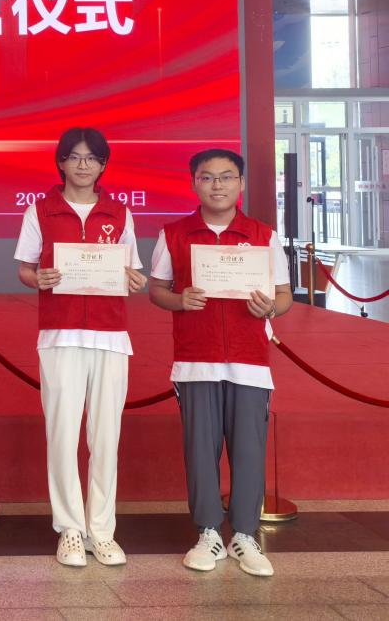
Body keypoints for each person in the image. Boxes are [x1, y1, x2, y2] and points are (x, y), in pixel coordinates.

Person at [148, 148, 293, 578]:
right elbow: (157, 290)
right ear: (194, 183)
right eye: (207, 177)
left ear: (240, 184)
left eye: (226, 177)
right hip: (196, 359)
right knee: (200, 450)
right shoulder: (174, 234)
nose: (217, 185)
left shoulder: (263, 235)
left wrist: (271, 308)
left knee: (249, 451)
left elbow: (284, 295)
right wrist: (179, 299)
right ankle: (208, 532)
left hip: (250, 361)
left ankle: (245, 535)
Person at [13, 128, 147, 568]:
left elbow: (132, 270)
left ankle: (102, 530)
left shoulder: (120, 213)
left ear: (103, 164)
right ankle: (70, 529)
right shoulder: (40, 210)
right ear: (61, 162)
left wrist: (135, 280)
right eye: (74, 157)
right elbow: (25, 269)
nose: (83, 165)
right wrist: (38, 278)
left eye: (92, 158)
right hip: (60, 334)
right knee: (62, 433)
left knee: (106, 437)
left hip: (111, 335)